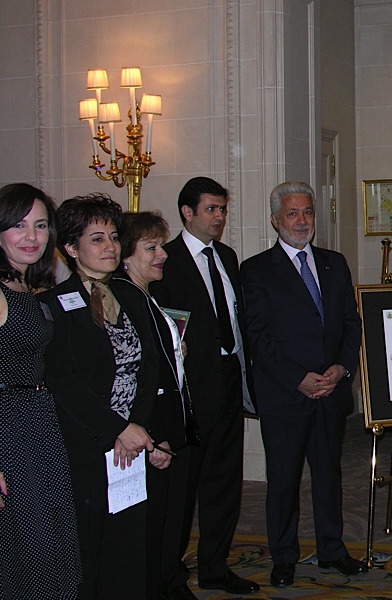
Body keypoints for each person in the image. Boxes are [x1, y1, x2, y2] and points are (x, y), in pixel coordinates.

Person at [241, 181, 366, 586]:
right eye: (292, 213)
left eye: (308, 212)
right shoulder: (256, 270)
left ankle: (332, 550)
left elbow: (350, 322)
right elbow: (257, 338)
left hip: (331, 392)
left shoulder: (335, 263)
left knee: (329, 476)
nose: (301, 221)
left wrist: (341, 369)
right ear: (275, 220)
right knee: (283, 480)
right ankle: (283, 556)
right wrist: (298, 379)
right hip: (285, 396)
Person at [39, 193, 161, 598]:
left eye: (113, 237)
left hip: (132, 443)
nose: (110, 246)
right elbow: (63, 381)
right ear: (71, 249)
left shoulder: (131, 296)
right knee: (88, 549)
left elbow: (150, 367)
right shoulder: (52, 305)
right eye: (97, 239)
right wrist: (116, 430)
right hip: (86, 446)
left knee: (128, 547)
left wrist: (137, 426)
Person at [149, 177, 259, 596]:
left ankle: (215, 567)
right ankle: (170, 575)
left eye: (222, 209)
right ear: (187, 212)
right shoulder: (166, 259)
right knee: (182, 488)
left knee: (224, 482)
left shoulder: (227, 257)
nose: (219, 217)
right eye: (211, 209)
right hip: (190, 392)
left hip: (229, 383)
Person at [0, 183, 82, 598]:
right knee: (26, 548)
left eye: (41, 225)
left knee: (47, 542)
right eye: (18, 225)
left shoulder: (22, 287)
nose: (32, 236)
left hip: (36, 423)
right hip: (7, 429)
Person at [118, 211, 194, 599]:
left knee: (168, 519)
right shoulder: (127, 298)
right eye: (151, 248)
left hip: (165, 428)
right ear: (126, 255)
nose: (162, 254)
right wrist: (158, 436)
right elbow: (140, 380)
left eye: (161, 246)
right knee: (152, 526)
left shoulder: (146, 296)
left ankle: (168, 581)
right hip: (151, 435)